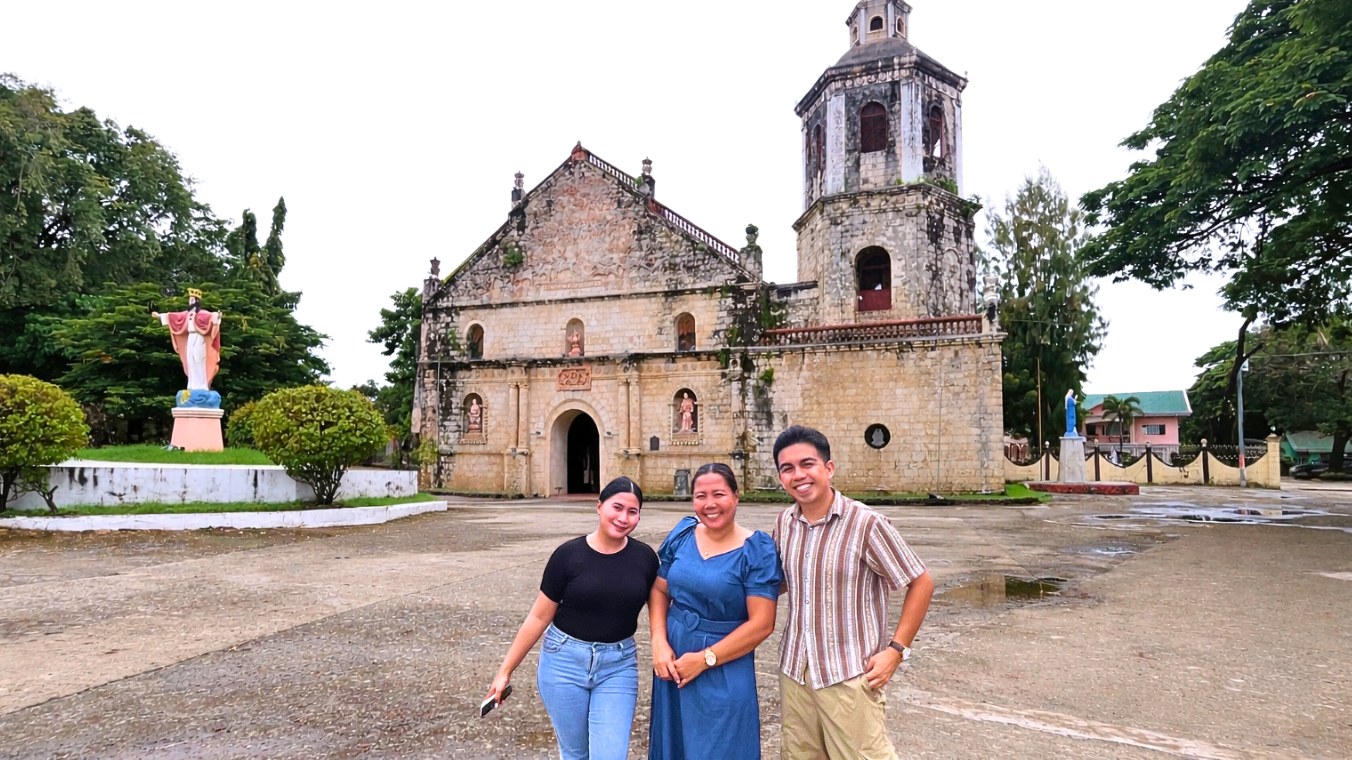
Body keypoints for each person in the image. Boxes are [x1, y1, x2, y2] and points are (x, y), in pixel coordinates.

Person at [772, 425, 934, 759]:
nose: (798, 475)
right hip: (796, 671)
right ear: (780, 478)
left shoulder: (865, 524)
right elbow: (780, 583)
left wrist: (896, 650)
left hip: (848, 673)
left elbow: (920, 582)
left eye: (807, 464)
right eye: (788, 468)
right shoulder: (785, 523)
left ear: (829, 468)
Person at [486, 477, 657, 760]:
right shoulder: (568, 555)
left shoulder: (645, 559)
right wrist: (505, 671)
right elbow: (538, 617)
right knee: (576, 753)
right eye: (616, 507)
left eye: (632, 511)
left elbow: (661, 608)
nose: (623, 518)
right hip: (564, 663)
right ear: (599, 507)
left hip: (617, 665)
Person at [648, 463, 780, 759]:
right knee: (674, 745)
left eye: (718, 494)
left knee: (721, 748)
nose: (709, 504)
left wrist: (705, 659)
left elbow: (762, 623)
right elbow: (659, 589)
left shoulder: (756, 549)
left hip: (725, 664)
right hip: (673, 659)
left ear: (736, 496)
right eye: (701, 496)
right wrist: (658, 641)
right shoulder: (683, 534)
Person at [152, 288, 222, 390]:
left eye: (192, 300)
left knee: (199, 360)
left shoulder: (203, 313)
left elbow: (213, 317)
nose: (190, 302)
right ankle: (192, 384)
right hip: (190, 339)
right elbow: (174, 316)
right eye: (190, 300)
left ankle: (202, 385)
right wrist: (159, 316)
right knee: (190, 361)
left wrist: (217, 317)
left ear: (197, 302)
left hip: (199, 338)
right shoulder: (186, 314)